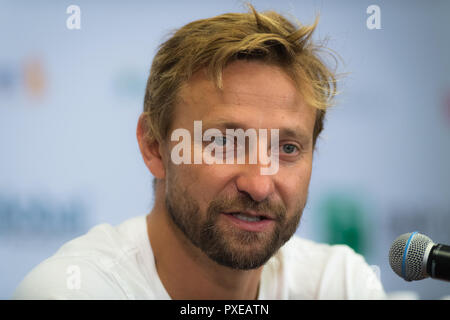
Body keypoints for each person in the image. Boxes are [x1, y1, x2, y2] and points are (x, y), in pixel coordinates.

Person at [13, 5, 386, 300]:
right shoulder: (71, 292)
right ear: (155, 146)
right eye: (223, 143)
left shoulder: (338, 285)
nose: (258, 184)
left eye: (287, 148)